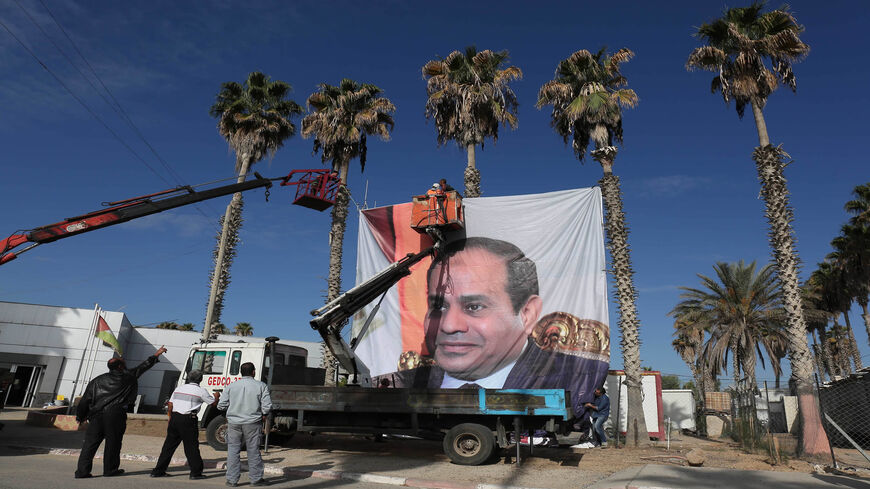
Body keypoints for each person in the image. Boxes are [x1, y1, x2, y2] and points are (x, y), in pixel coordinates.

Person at [393, 237, 608, 421]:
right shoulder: (400, 385)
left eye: (474, 306)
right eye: (438, 306)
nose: (449, 326)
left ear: (527, 314)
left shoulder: (573, 377)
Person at [74, 346, 167, 479]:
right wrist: (156, 354)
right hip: (115, 414)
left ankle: (82, 472)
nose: (126, 365)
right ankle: (110, 470)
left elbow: (85, 400)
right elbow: (143, 367)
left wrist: (80, 416)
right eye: (123, 364)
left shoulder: (97, 380)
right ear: (119, 367)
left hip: (96, 415)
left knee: (90, 444)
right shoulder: (128, 377)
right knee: (113, 443)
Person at [150, 370, 217, 479]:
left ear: (189, 378)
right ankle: (195, 473)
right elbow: (213, 403)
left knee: (168, 446)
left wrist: (170, 418)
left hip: (175, 418)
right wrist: (217, 396)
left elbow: (170, 404)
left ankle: (158, 471)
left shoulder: (179, 388)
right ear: (201, 379)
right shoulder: (201, 391)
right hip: (188, 419)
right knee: (191, 447)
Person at [217, 362, 272, 487]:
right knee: (253, 450)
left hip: (233, 423)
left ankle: (232, 480)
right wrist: (263, 414)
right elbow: (267, 406)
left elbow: (221, 405)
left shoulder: (231, 386)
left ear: (241, 372)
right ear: (253, 372)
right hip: (253, 422)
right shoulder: (261, 386)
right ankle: (256, 479)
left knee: (233, 451)